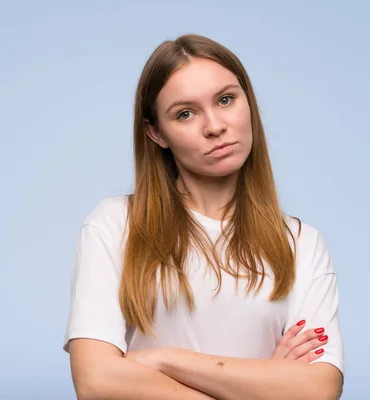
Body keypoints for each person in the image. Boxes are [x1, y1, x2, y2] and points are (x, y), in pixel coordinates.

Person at [63, 33, 344, 400]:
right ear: (156, 132)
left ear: (249, 104)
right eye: (185, 113)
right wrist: (266, 383)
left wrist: (163, 360)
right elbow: (96, 383)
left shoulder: (301, 243)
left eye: (226, 99)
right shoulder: (115, 225)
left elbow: (319, 390)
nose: (214, 126)